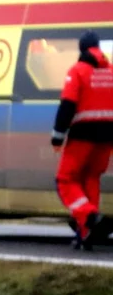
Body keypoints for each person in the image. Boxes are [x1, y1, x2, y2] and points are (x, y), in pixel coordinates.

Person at [52, 30, 113, 249]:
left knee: (64, 180)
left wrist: (57, 137)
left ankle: (88, 216)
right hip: (107, 138)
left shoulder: (77, 71)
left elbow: (67, 105)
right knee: (91, 179)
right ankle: (86, 235)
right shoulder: (111, 72)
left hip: (83, 136)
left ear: (81, 49)